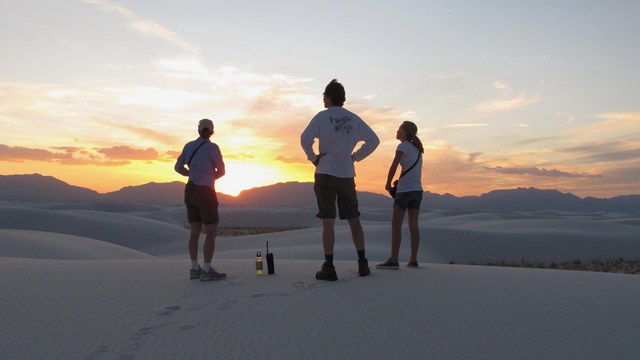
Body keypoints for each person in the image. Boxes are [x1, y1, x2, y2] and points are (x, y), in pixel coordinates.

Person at [300, 79, 380, 281]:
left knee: (328, 222)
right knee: (354, 219)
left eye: (324, 96)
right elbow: (374, 140)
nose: (322, 99)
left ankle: (329, 266)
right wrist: (354, 157)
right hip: (346, 173)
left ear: (328, 96)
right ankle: (363, 263)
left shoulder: (321, 117)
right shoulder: (353, 118)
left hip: (326, 171)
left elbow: (304, 138)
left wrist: (313, 157)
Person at [175, 118, 227, 281]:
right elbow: (222, 171)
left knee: (195, 232)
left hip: (190, 190)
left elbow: (178, 167)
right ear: (211, 132)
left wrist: (191, 174)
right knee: (211, 232)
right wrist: (209, 177)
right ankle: (207, 270)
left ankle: (194, 269)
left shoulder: (189, 146)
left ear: (198, 130)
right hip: (205, 192)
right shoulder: (213, 148)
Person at [377, 121, 424, 269]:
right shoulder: (417, 149)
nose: (396, 131)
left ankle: (394, 260)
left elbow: (393, 165)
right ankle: (413, 260)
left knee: (395, 225)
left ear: (405, 132)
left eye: (399, 129)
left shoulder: (402, 146)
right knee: (413, 225)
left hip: (405, 190)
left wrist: (388, 183)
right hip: (417, 190)